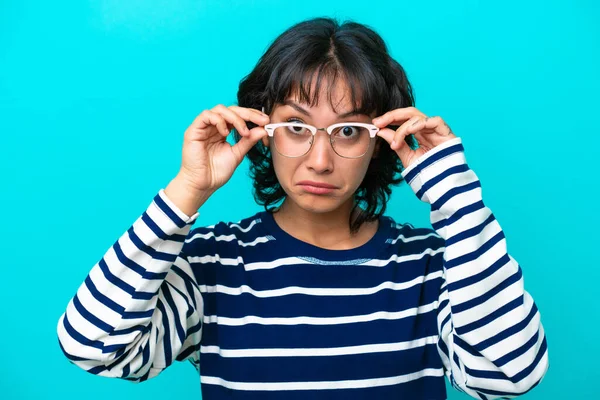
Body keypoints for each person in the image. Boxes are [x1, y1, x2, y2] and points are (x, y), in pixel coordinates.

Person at [56, 17, 549, 400]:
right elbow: (93, 346)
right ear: (261, 130)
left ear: (381, 141)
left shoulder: (430, 269)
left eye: (348, 131)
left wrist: (456, 195)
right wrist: (187, 189)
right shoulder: (213, 265)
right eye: (296, 126)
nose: (320, 159)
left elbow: (512, 374)